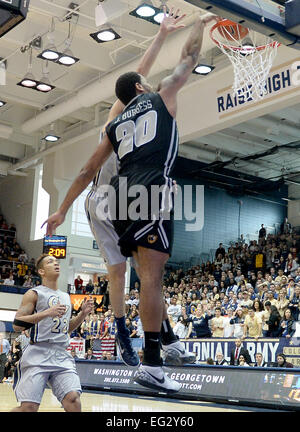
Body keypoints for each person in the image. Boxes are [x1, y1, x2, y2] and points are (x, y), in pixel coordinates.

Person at [43, 12, 216, 393]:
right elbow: (186, 60)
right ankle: (144, 354)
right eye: (144, 82)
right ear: (140, 89)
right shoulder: (156, 98)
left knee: (146, 277)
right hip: (143, 194)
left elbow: (88, 168)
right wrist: (199, 24)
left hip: (118, 200)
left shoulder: (116, 123)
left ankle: (164, 343)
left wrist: (60, 209)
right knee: (144, 277)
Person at [11, 254, 94, 412]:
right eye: (50, 262)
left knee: (73, 400)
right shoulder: (34, 293)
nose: (56, 264)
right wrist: (46, 313)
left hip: (61, 354)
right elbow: (17, 325)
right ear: (41, 271)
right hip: (38, 353)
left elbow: (65, 329)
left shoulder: (65, 296)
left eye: (57, 262)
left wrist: (82, 314)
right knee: (28, 408)